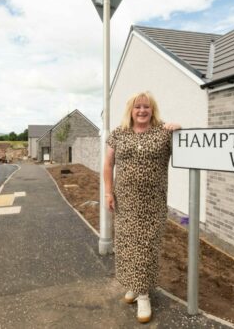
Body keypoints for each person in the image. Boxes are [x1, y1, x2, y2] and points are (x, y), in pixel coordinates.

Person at [104, 91, 181, 323]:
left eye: (146, 107)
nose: (142, 111)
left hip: (152, 203)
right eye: (137, 107)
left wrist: (180, 130)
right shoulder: (118, 133)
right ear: (131, 110)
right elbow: (108, 165)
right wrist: (108, 192)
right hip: (125, 201)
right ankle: (133, 286)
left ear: (152, 109)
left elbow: (186, 151)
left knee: (146, 247)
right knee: (127, 246)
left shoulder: (163, 132)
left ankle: (144, 294)